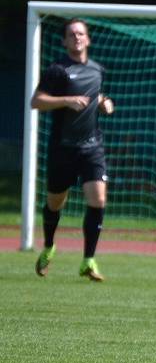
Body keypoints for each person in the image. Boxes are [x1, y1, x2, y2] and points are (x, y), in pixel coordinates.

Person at [31, 18, 114, 282]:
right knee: (56, 202)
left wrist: (104, 103)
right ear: (65, 41)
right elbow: (37, 101)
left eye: (81, 34)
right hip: (63, 148)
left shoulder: (97, 69)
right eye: (72, 34)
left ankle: (88, 260)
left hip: (91, 147)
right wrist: (67, 100)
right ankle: (49, 246)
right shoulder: (57, 70)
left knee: (98, 199)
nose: (77, 37)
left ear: (88, 39)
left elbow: (96, 95)